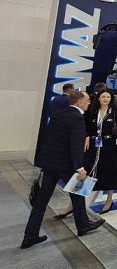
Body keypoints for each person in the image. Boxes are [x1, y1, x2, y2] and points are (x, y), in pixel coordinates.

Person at [22, 91, 105, 249]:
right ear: (79, 102)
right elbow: (76, 145)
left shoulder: (58, 115)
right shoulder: (77, 118)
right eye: (87, 100)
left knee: (41, 201)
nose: (89, 103)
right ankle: (83, 225)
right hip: (66, 166)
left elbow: (49, 139)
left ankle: (30, 236)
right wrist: (80, 167)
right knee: (78, 192)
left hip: (51, 164)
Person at [55, 90, 117, 217]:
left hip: (109, 145)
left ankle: (109, 200)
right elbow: (87, 126)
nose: (105, 99)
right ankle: (73, 204)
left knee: (110, 172)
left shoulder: (114, 112)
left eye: (108, 97)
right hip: (93, 145)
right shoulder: (92, 111)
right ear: (98, 98)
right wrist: (87, 136)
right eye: (103, 96)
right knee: (86, 171)